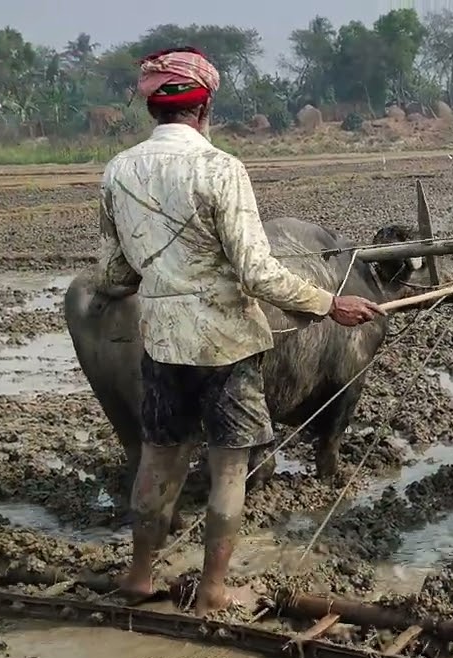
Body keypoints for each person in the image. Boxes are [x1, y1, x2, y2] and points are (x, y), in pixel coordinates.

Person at [96, 46, 384, 615]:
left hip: (163, 342)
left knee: (158, 460)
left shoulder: (118, 171)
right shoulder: (221, 169)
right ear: (205, 108)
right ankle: (213, 590)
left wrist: (161, 274)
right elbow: (257, 272)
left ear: (152, 107)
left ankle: (139, 576)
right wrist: (329, 303)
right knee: (230, 467)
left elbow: (114, 273)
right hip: (226, 346)